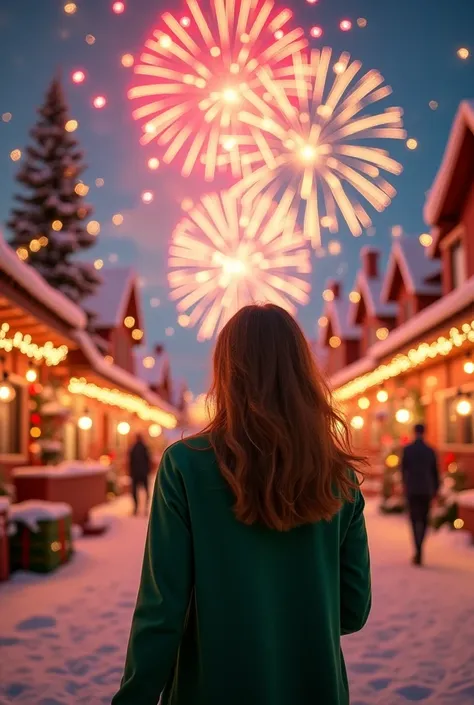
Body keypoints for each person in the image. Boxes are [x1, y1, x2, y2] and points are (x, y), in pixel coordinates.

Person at [113, 304, 371, 705]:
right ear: (302, 371)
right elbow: (353, 609)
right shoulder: (340, 475)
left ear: (226, 372)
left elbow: (162, 610)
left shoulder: (185, 465)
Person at [401, 423, 440, 566]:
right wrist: (436, 490)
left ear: (414, 432)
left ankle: (417, 547)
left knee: (413, 519)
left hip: (412, 489)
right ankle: (420, 547)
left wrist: (404, 485)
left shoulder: (408, 450)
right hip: (426, 489)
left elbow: (403, 470)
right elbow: (435, 472)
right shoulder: (430, 450)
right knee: (424, 519)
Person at [129, 432, 151, 516]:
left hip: (135, 473)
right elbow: (148, 459)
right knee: (146, 491)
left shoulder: (133, 448)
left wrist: (130, 472)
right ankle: (145, 508)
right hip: (144, 472)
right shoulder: (145, 447)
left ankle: (136, 508)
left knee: (134, 491)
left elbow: (130, 461)